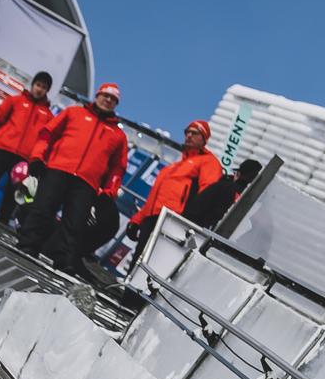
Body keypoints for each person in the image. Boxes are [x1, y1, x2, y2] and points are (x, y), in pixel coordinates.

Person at [17, 81, 129, 276]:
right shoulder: (73, 113)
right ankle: (28, 245)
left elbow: (117, 168)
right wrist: (37, 157)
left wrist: (108, 192)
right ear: (97, 96)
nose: (108, 100)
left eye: (113, 99)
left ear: (116, 104)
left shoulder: (118, 136)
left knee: (74, 223)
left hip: (87, 182)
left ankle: (63, 261)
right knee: (42, 209)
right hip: (58, 169)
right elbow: (47, 134)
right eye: (105, 96)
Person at [123, 120, 222, 261]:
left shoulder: (209, 162)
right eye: (187, 132)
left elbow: (207, 194)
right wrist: (137, 220)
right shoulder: (173, 166)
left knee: (156, 262)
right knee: (138, 260)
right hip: (152, 219)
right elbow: (152, 198)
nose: (189, 135)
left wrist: (186, 223)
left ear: (204, 138)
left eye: (194, 133)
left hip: (173, 221)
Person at [0, 71, 55, 221]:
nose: (39, 89)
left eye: (43, 87)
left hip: (24, 158)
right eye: (38, 85)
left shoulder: (48, 116)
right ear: (32, 85)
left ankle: (3, 221)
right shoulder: (15, 101)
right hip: (2, 149)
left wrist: (35, 158)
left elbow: (46, 140)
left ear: (47, 91)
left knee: (14, 192)